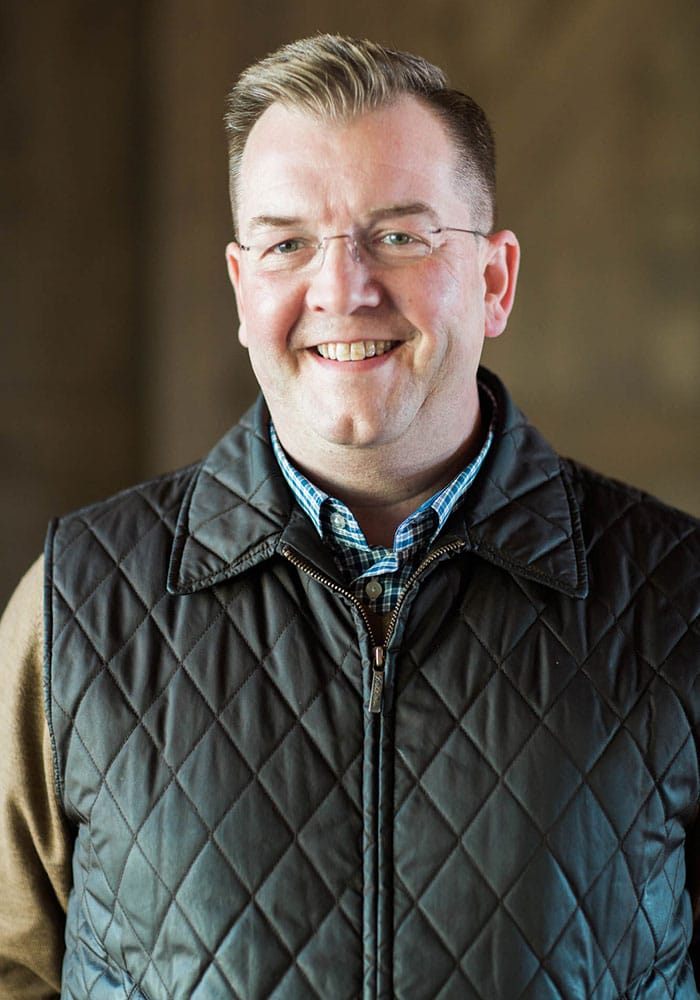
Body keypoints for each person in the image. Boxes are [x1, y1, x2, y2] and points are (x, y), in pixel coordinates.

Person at [1, 32, 699, 1000]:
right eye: (289, 243)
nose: (342, 289)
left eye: (399, 235)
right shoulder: (76, 597)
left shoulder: (677, 593)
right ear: (244, 290)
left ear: (494, 280)